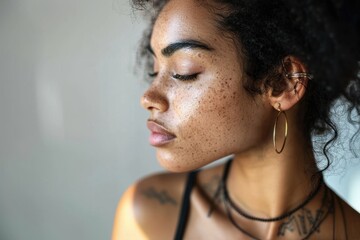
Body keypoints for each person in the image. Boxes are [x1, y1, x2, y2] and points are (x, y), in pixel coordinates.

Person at [112, 0, 360, 239]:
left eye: (183, 72)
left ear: (283, 83)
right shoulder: (149, 214)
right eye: (154, 70)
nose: (148, 97)